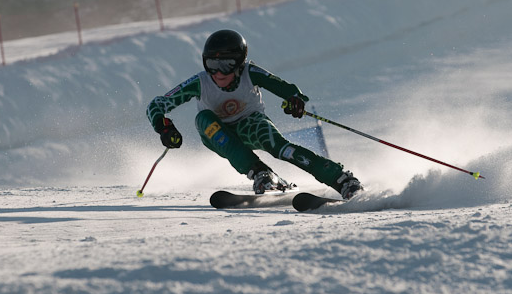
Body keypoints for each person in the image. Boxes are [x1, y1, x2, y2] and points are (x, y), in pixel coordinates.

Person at [146, 29, 363, 199]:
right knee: (203, 119)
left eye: (227, 64)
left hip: (251, 126)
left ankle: (341, 180)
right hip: (216, 134)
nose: (219, 73)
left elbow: (284, 87)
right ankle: (259, 172)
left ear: (239, 63)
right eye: (212, 64)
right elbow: (156, 104)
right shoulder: (200, 82)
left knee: (280, 147)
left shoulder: (250, 72)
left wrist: (294, 100)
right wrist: (164, 127)